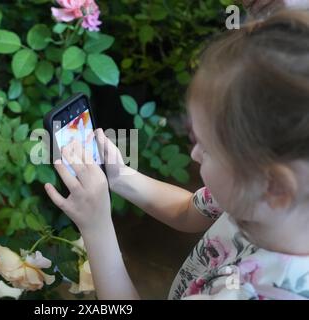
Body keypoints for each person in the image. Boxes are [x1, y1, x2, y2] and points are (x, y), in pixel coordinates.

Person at [44, 9, 309, 300]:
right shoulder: (256, 194)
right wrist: (119, 176)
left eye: (206, 148)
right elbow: (188, 212)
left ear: (275, 186)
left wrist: (96, 228)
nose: (194, 155)